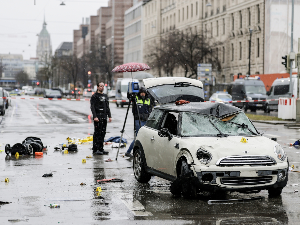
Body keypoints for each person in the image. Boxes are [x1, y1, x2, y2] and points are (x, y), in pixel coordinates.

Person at [125, 87, 152, 157]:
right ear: (139, 93)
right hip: (138, 120)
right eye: (141, 93)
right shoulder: (136, 98)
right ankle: (128, 151)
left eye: (144, 93)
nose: (143, 94)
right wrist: (130, 93)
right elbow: (129, 97)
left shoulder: (148, 99)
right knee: (138, 137)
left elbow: (150, 109)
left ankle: (142, 152)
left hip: (145, 120)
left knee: (145, 137)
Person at [90, 82, 112, 155]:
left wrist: (109, 116)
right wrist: (95, 116)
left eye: (103, 86)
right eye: (100, 86)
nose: (102, 87)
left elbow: (107, 107)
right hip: (98, 117)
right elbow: (92, 107)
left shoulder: (105, 96)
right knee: (97, 133)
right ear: (97, 87)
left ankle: (101, 149)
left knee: (103, 133)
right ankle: (95, 149)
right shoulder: (94, 96)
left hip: (104, 117)